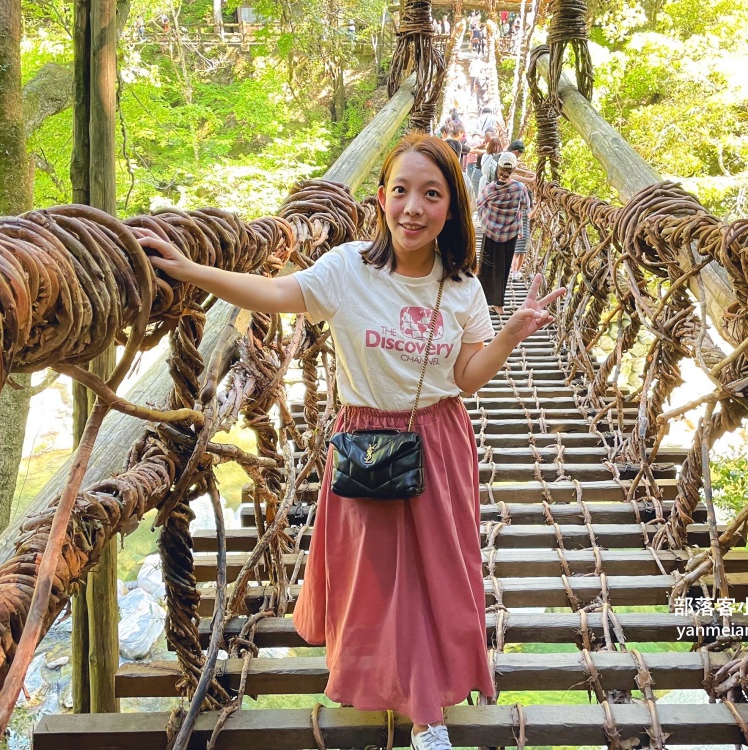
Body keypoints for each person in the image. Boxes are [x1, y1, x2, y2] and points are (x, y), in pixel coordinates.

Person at [149, 134, 564, 750]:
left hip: (439, 438)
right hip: (365, 438)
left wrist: (513, 333)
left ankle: (428, 709)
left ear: (452, 207)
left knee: (435, 573)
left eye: (431, 194)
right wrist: (190, 272)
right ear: (381, 199)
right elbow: (277, 294)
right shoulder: (347, 268)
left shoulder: (463, 288)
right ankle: (399, 693)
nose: (413, 209)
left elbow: (466, 378)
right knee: (376, 575)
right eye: (401, 192)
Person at [476, 151, 531, 313]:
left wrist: (487, 215)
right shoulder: (520, 188)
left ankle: (481, 303)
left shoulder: (490, 188)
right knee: (503, 267)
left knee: (486, 267)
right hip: (510, 234)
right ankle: (498, 305)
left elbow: (479, 203)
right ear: (513, 170)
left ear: (498, 169)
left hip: (490, 231)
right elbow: (526, 206)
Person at [507, 139, 533, 279]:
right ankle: (515, 272)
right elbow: (509, 174)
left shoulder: (505, 157)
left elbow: (510, 170)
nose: (519, 158)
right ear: (516, 152)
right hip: (520, 229)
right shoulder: (509, 158)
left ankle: (512, 271)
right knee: (519, 251)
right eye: (519, 155)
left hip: (512, 227)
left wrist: (525, 173)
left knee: (515, 250)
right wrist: (528, 180)